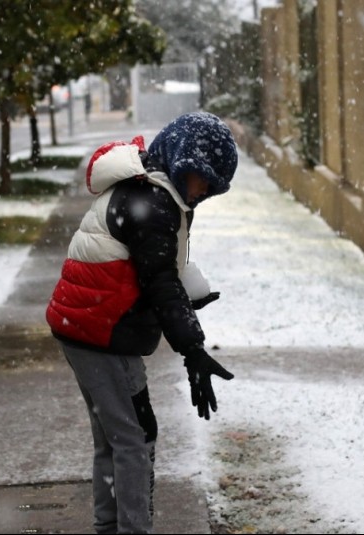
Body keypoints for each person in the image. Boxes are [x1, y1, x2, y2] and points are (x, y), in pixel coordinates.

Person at [45, 111, 238, 534]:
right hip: (103, 332)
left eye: (213, 186)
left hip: (83, 325)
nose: (203, 191)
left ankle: (109, 526)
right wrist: (192, 347)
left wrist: (185, 302)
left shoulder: (146, 185)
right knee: (136, 437)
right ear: (180, 160)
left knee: (114, 437)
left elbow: (149, 272)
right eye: (202, 178)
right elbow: (160, 282)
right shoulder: (153, 203)